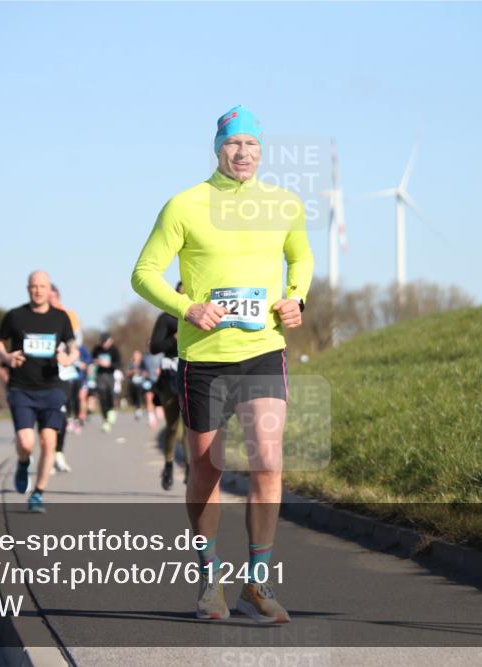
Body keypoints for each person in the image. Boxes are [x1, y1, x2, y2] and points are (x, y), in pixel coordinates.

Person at [131, 106, 313, 623]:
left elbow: (301, 258)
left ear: (261, 151)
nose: (243, 153)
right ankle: (209, 578)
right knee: (207, 468)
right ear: (218, 149)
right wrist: (187, 307)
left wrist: (296, 296)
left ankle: (256, 584)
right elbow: (143, 273)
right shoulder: (184, 205)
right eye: (234, 144)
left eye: (252, 145)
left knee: (268, 460)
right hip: (204, 358)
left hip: (263, 350)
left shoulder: (284, 204)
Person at [0, 271, 76, 513]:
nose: (38, 290)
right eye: (33, 286)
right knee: (26, 442)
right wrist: (6, 357)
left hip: (52, 388)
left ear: (49, 289)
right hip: (22, 388)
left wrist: (68, 358)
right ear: (28, 288)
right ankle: (22, 462)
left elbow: (73, 348)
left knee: (48, 442)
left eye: (42, 286)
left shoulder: (60, 318)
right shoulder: (15, 316)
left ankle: (38, 493)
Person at [150, 280, 187, 490]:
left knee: (192, 428)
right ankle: (169, 464)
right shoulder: (166, 318)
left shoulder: (203, 315)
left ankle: (191, 469)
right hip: (169, 377)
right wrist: (174, 339)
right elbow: (154, 347)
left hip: (194, 372)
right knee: (173, 426)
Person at [48, 285, 81, 471]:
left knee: (61, 412)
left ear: (58, 297)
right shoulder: (41, 316)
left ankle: (58, 453)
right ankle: (49, 453)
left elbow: (78, 341)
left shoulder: (68, 315)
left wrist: (68, 352)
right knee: (47, 413)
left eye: (53, 297)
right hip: (45, 371)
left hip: (65, 370)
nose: (50, 300)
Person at [91, 333, 121, 433]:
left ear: (110, 341)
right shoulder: (96, 349)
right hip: (99, 375)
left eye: (106, 342)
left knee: (110, 394)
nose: (104, 345)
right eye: (102, 342)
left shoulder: (114, 350)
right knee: (102, 395)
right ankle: (105, 419)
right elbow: (91, 360)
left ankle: (111, 411)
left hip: (110, 375)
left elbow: (118, 364)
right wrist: (96, 362)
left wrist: (109, 365)